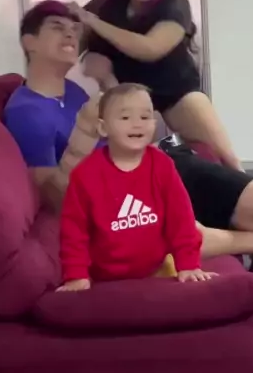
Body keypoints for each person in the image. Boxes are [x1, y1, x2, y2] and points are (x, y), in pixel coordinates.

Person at [4, 0, 253, 341]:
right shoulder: (28, 112)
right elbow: (53, 196)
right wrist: (84, 139)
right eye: (57, 27)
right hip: (126, 185)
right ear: (29, 42)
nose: (70, 34)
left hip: (154, 162)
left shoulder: (74, 92)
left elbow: (117, 126)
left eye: (73, 28)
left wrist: (108, 84)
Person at [59, 83, 214, 291]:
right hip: (103, 278)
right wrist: (76, 275)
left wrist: (188, 265)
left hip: (157, 269)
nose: (137, 124)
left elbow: (181, 219)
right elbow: (73, 232)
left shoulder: (162, 166)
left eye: (145, 117)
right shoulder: (84, 175)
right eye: (125, 118)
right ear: (103, 127)